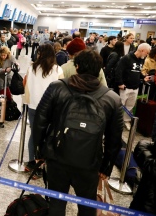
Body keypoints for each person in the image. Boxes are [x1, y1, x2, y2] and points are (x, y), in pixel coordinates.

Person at [33, 49, 124, 216]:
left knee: (56, 203)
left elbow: (39, 121)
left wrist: (40, 150)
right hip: (89, 163)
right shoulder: (112, 99)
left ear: (77, 67)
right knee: (87, 205)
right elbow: (115, 138)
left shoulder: (57, 88)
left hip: (57, 157)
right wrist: (107, 166)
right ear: (100, 70)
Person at [23, 44, 63, 174]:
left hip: (33, 106)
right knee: (49, 136)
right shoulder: (57, 70)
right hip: (50, 109)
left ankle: (33, 163)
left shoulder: (32, 68)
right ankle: (44, 164)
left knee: (34, 135)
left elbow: (25, 84)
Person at [115, 43, 152, 130]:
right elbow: (118, 71)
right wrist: (120, 83)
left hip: (135, 87)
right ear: (142, 50)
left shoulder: (141, 60)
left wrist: (143, 78)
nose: (147, 55)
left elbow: (138, 71)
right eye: (147, 53)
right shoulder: (126, 58)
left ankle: (126, 121)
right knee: (121, 106)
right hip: (125, 87)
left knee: (130, 106)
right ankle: (117, 121)